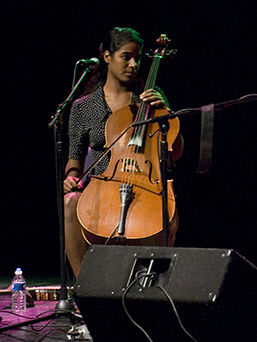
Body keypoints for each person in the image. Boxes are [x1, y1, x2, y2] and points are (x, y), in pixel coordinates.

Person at [63, 27, 182, 277]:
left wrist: (167, 112)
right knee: (71, 202)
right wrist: (71, 178)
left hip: (144, 185)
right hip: (101, 189)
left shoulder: (148, 102)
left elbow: (176, 152)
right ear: (107, 57)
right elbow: (74, 160)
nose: (133, 64)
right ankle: (84, 287)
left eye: (138, 58)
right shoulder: (83, 107)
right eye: (126, 57)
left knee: (165, 209)